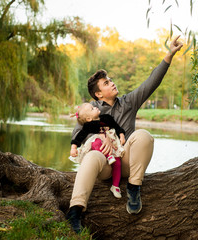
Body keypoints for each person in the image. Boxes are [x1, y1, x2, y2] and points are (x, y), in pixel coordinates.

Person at [66, 36, 183, 233]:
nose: (112, 83)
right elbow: (78, 133)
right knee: (93, 155)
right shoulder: (91, 109)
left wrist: (169, 54)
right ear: (98, 94)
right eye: (106, 82)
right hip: (103, 165)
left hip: (125, 161)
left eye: (110, 80)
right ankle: (75, 210)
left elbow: (151, 83)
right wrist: (99, 137)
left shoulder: (129, 102)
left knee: (144, 135)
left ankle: (134, 188)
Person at [69, 102, 126, 199]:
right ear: (88, 119)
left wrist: (121, 135)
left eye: (94, 107)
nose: (95, 107)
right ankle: (109, 156)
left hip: (112, 145)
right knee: (95, 141)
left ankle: (115, 186)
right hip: (99, 152)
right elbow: (80, 136)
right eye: (92, 109)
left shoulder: (107, 118)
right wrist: (73, 147)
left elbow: (117, 127)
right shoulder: (89, 126)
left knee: (118, 163)